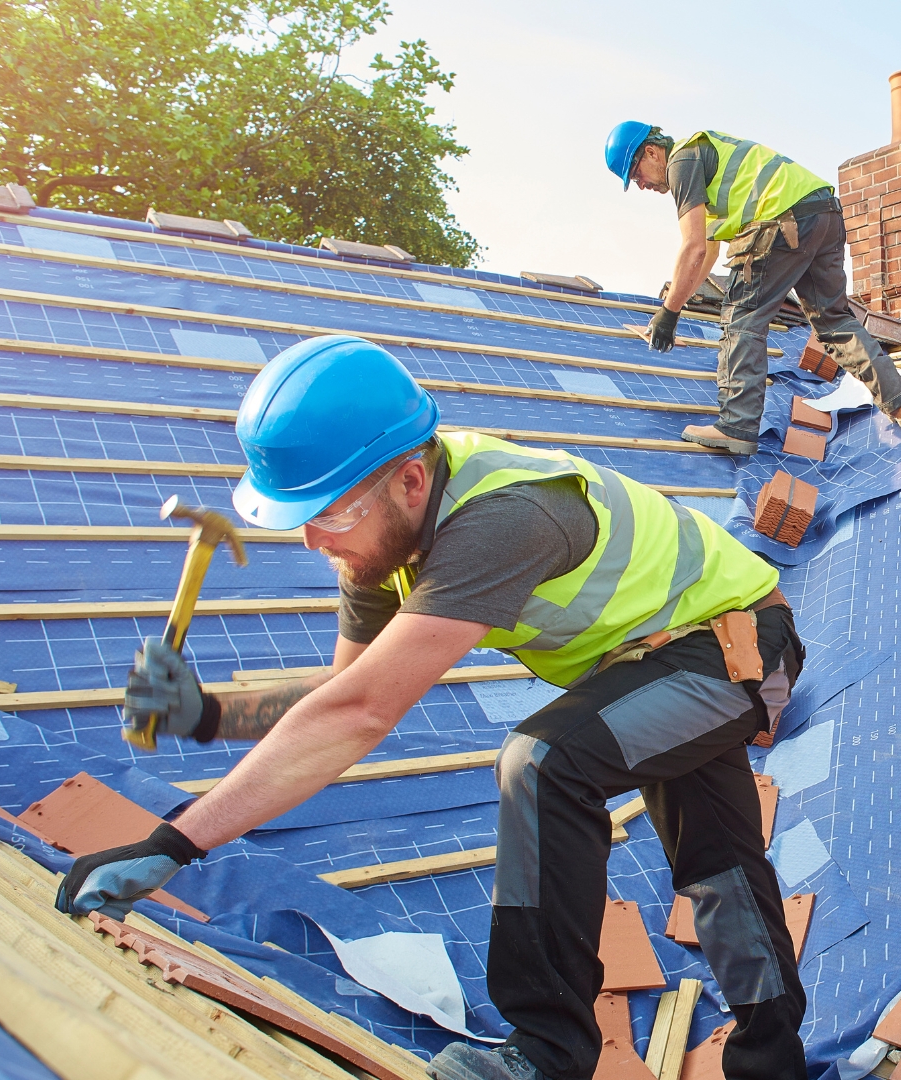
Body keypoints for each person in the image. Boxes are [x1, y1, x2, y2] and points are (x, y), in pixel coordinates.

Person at [55, 336, 810, 1080]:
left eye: (332, 512)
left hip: (737, 645)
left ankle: (548, 1053)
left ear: (411, 481)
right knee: (720, 868)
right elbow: (339, 699)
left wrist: (175, 843)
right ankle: (772, 1066)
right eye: (300, 518)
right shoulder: (376, 541)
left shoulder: (503, 520)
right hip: (660, 659)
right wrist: (209, 712)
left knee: (544, 763)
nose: (318, 539)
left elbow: (359, 716)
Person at [603, 121, 901, 455]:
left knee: (742, 318)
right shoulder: (707, 164)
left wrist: (667, 314)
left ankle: (736, 426)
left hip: (781, 220)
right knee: (833, 321)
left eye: (636, 174)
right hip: (823, 213)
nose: (640, 185)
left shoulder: (682, 162)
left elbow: (692, 246)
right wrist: (673, 308)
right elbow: (706, 252)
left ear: (652, 152)